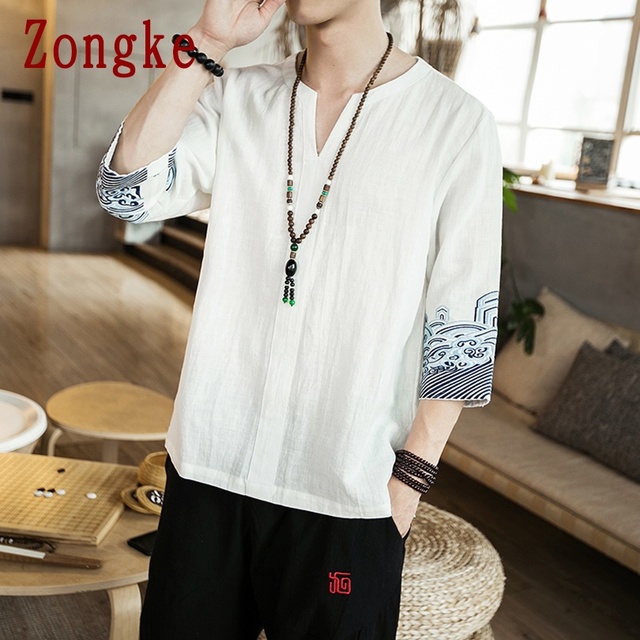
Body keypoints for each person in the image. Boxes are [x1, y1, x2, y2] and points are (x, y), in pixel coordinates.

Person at [96, 0, 503, 638]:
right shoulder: (239, 96)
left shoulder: (454, 123)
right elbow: (125, 193)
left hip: (346, 494)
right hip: (209, 471)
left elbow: (463, 330)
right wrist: (208, 41)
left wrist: (406, 485)